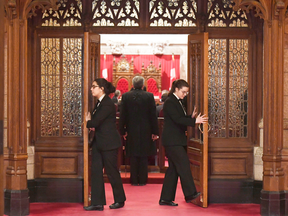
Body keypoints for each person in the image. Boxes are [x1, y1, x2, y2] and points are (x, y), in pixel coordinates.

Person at [159, 79, 208, 206]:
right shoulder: (170, 101)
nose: (185, 94)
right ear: (176, 89)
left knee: (173, 170)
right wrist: (193, 122)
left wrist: (191, 117)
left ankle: (166, 198)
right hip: (172, 140)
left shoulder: (176, 101)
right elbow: (176, 119)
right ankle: (190, 194)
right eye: (183, 92)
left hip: (175, 139)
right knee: (184, 165)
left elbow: (179, 117)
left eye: (186, 92)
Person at [84, 78, 126, 211]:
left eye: (94, 86)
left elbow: (95, 122)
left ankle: (120, 200)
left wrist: (88, 122)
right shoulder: (100, 103)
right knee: (96, 171)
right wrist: (91, 123)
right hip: (99, 142)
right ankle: (97, 202)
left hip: (109, 143)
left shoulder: (107, 103)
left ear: (102, 89)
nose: (91, 89)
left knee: (112, 172)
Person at [119, 76, 159, 186]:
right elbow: (153, 116)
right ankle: (142, 180)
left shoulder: (126, 96)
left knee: (133, 155)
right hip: (146, 129)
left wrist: (122, 131)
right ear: (143, 85)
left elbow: (123, 116)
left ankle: (134, 180)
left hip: (131, 130)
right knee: (144, 155)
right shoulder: (149, 96)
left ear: (132, 85)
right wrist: (155, 132)